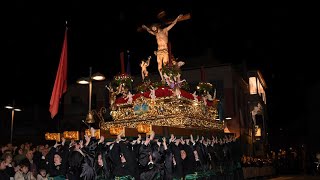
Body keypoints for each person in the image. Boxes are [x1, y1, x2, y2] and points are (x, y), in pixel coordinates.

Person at [142, 14, 183, 81]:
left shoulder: (164, 30)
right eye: (153, 29)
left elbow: (173, 24)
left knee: (165, 64)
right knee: (159, 65)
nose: (153, 29)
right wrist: (146, 27)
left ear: (157, 27)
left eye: (154, 28)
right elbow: (149, 31)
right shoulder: (155, 34)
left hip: (165, 50)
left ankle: (168, 78)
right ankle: (162, 78)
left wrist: (177, 18)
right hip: (159, 51)